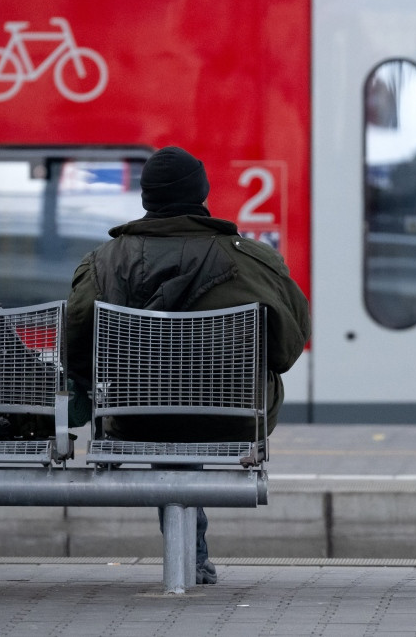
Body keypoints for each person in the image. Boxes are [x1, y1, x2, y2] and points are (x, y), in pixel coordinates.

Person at [67, 145, 310, 584]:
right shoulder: (254, 261)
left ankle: (192, 558)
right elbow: (287, 351)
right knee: (192, 404)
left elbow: (76, 350)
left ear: (146, 199)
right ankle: (192, 559)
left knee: (164, 409)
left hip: (133, 417)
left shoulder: (102, 263)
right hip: (233, 418)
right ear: (202, 193)